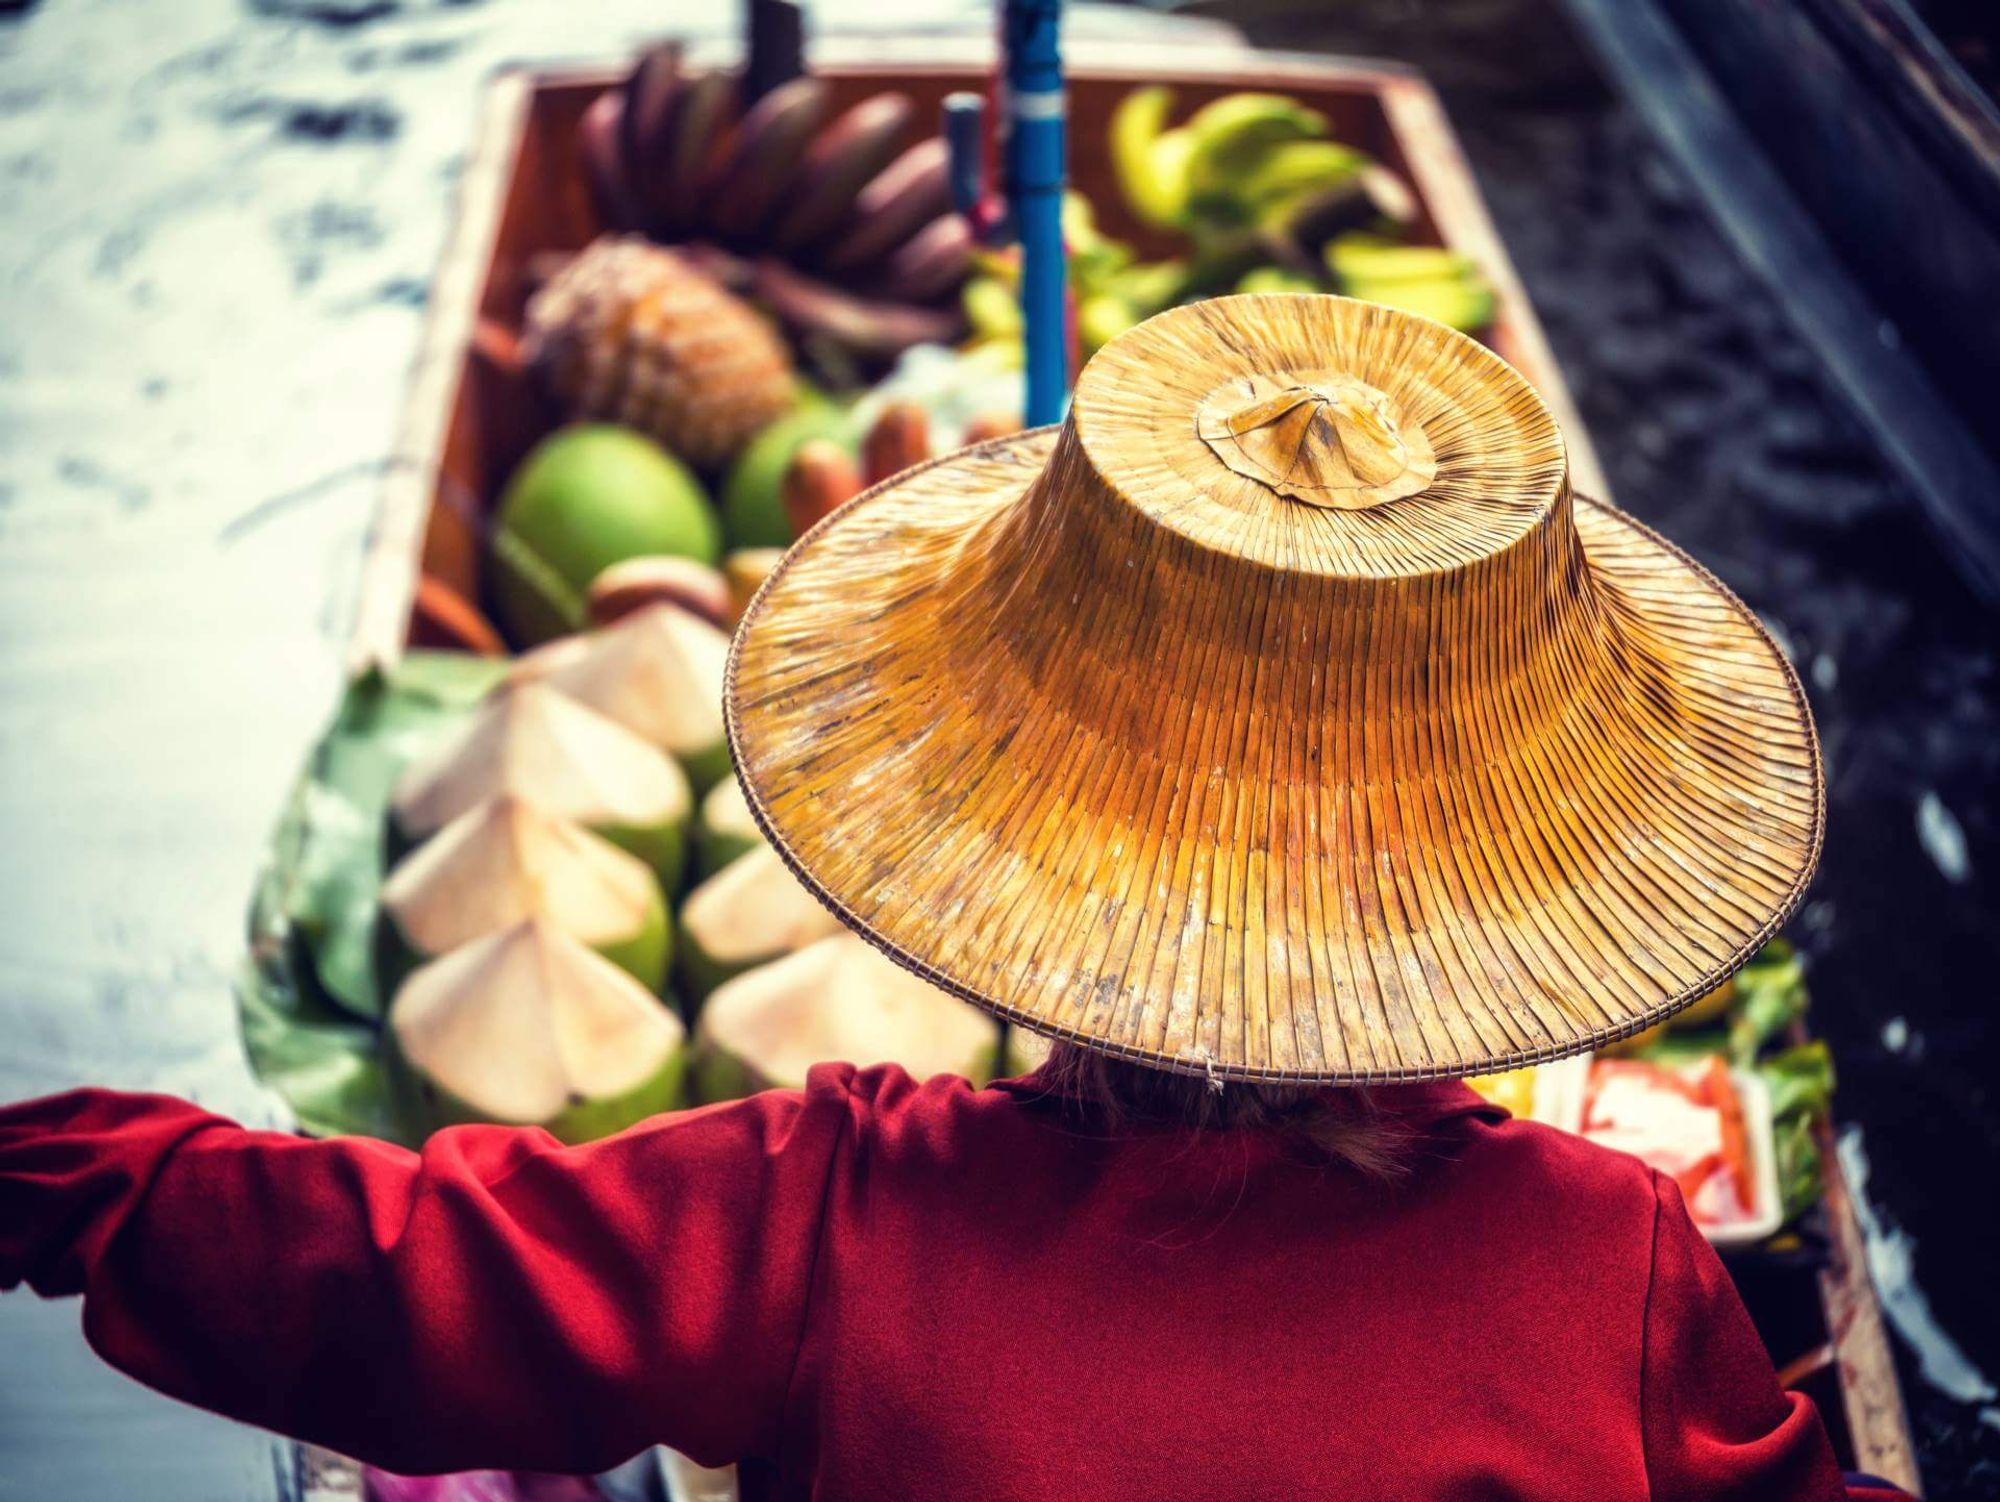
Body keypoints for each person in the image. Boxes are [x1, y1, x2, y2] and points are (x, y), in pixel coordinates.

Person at [1, 297, 1909, 1500]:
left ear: (1030, 860)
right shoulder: (1610, 1259)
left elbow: (390, 1270)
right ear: (1479, 911)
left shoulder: (835, 1213)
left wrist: (72, 1175)